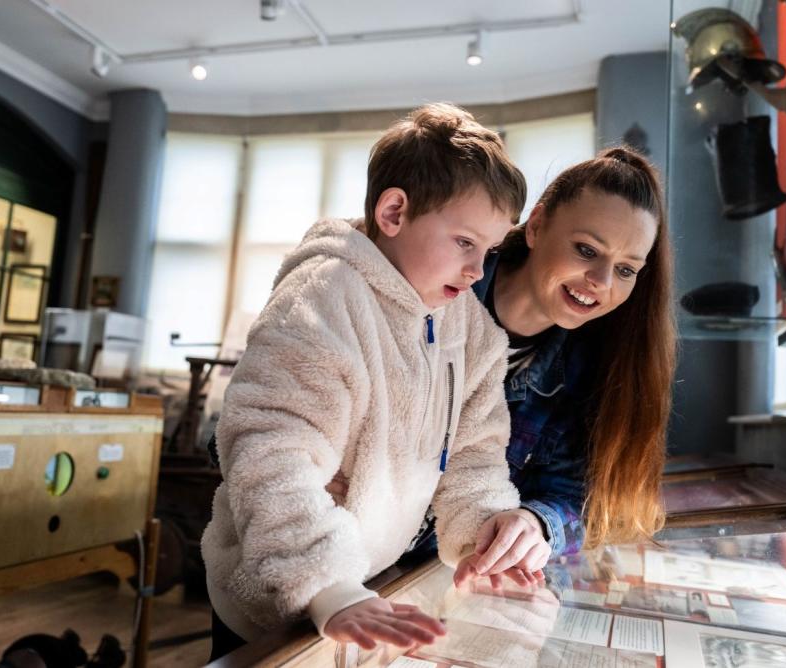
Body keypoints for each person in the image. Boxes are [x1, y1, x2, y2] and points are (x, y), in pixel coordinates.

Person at [201, 103, 550, 660]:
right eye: (464, 242)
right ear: (393, 212)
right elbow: (272, 449)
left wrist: (485, 535)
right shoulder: (322, 298)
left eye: (487, 251)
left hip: (371, 586)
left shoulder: (474, 332)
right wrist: (326, 586)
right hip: (275, 599)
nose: (478, 271)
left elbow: (476, 455)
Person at [470, 146, 676, 559]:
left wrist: (534, 523)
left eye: (625, 270)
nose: (601, 281)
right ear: (537, 226)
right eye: (586, 250)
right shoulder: (440, 289)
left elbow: (578, 496)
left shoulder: (595, 368)